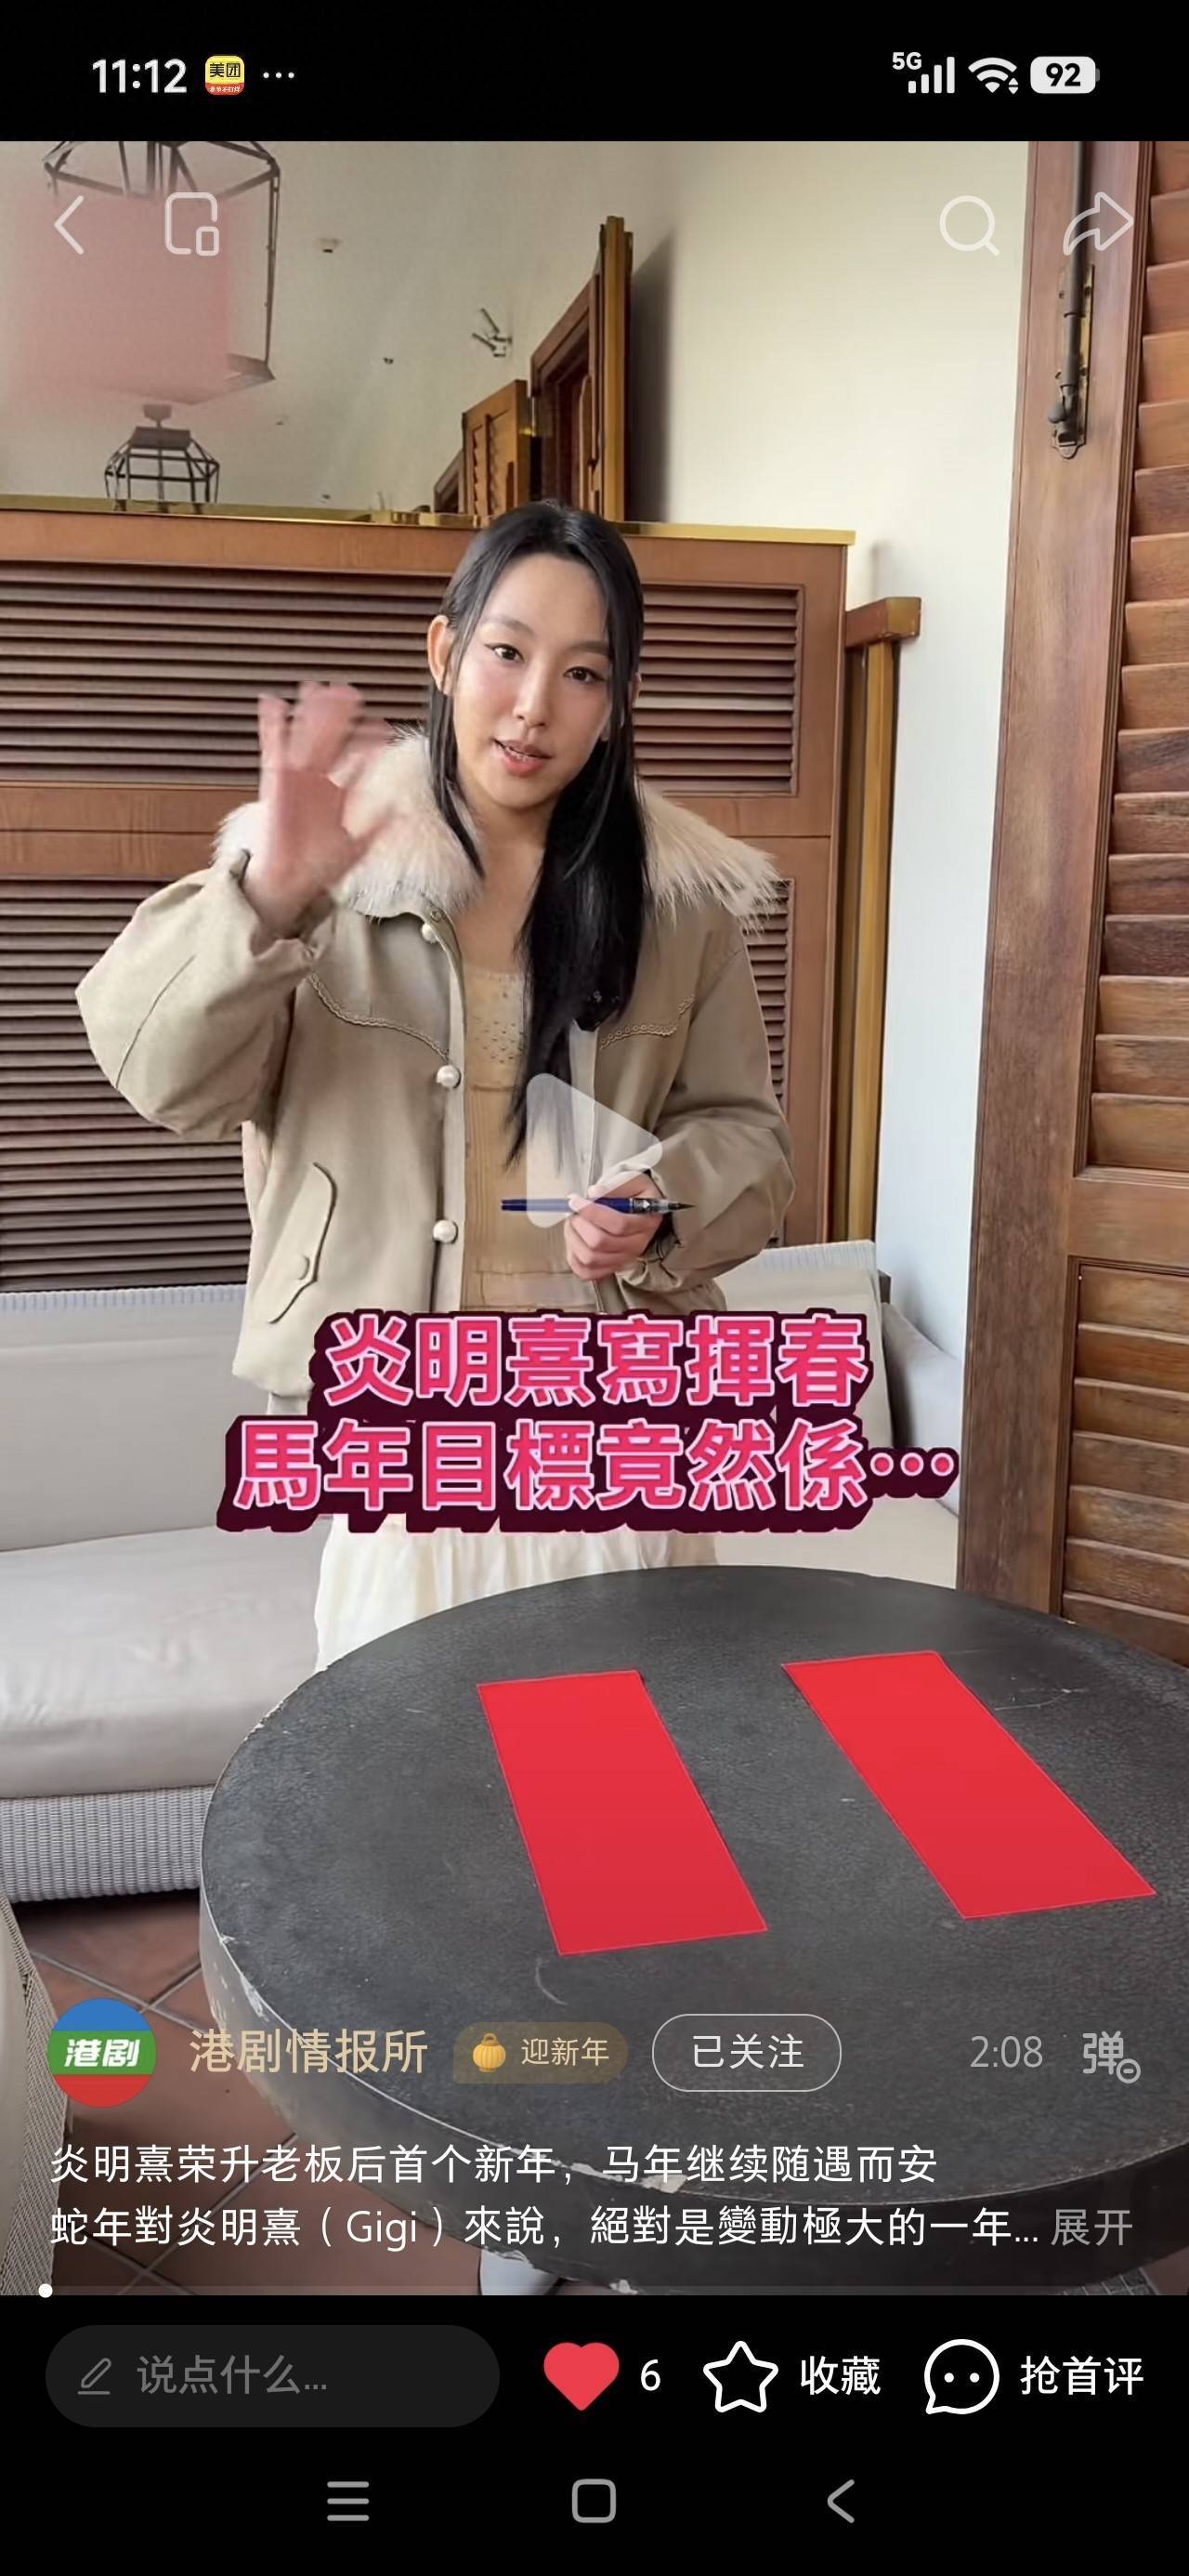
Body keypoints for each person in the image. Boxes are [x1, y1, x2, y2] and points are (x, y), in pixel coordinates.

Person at [76, 499, 796, 2293]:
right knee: (438, 1844)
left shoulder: (678, 905)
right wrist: (266, 895)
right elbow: (154, 1067)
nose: (535, 703)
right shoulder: (315, 869)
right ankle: (515, 2233)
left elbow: (750, 1138)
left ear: (619, 699)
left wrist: (666, 1202)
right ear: (443, 653)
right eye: (507, 653)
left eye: (585, 671)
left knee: (633, 1855)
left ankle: (627, 2191)